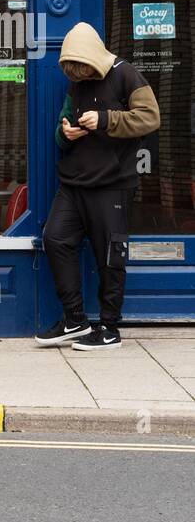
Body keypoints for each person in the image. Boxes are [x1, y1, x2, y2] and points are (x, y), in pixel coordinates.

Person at [37, 22, 160, 351]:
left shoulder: (126, 74)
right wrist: (67, 133)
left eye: (82, 69)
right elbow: (61, 130)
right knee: (55, 238)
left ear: (94, 57)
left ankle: (109, 328)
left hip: (113, 184)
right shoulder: (75, 83)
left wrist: (104, 119)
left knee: (109, 256)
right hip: (74, 182)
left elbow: (150, 117)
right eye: (71, 71)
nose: (77, 76)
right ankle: (75, 317)